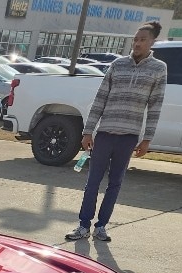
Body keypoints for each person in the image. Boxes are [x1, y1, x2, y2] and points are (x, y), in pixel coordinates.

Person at [66, 21, 167, 243]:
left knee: (115, 183)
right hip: (104, 134)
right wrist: (88, 131)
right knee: (92, 181)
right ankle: (83, 225)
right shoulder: (118, 65)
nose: (137, 43)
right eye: (135, 39)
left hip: (129, 137)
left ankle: (101, 226)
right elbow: (100, 99)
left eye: (142, 39)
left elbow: (155, 105)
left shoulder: (158, 69)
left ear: (152, 42)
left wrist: (147, 139)